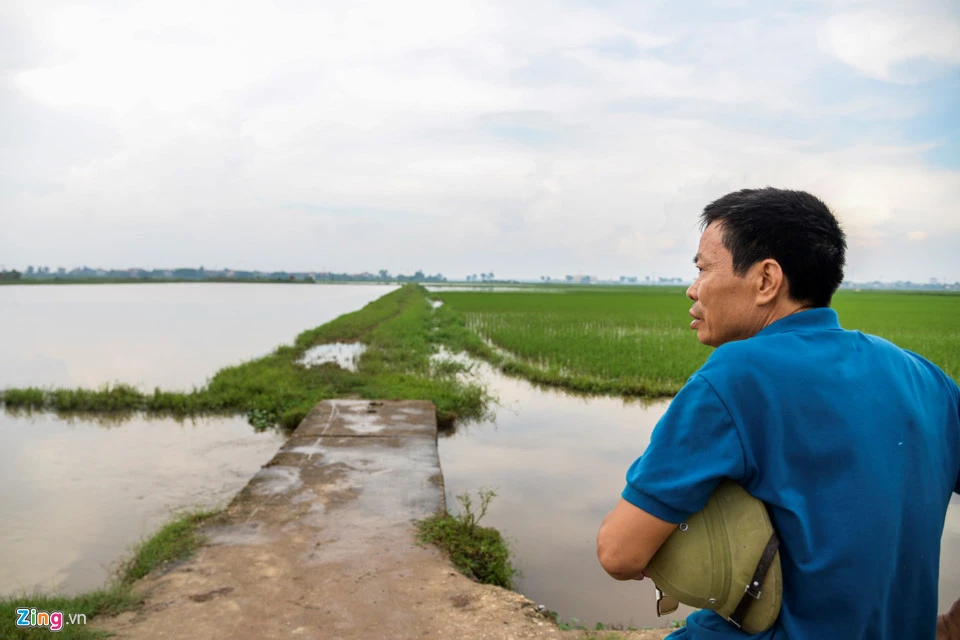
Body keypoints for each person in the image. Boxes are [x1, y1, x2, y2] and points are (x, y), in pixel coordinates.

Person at [596, 187, 960, 638]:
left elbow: (619, 552)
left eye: (702, 269)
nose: (692, 288)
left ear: (766, 279)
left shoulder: (734, 377)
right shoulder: (925, 378)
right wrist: (945, 626)